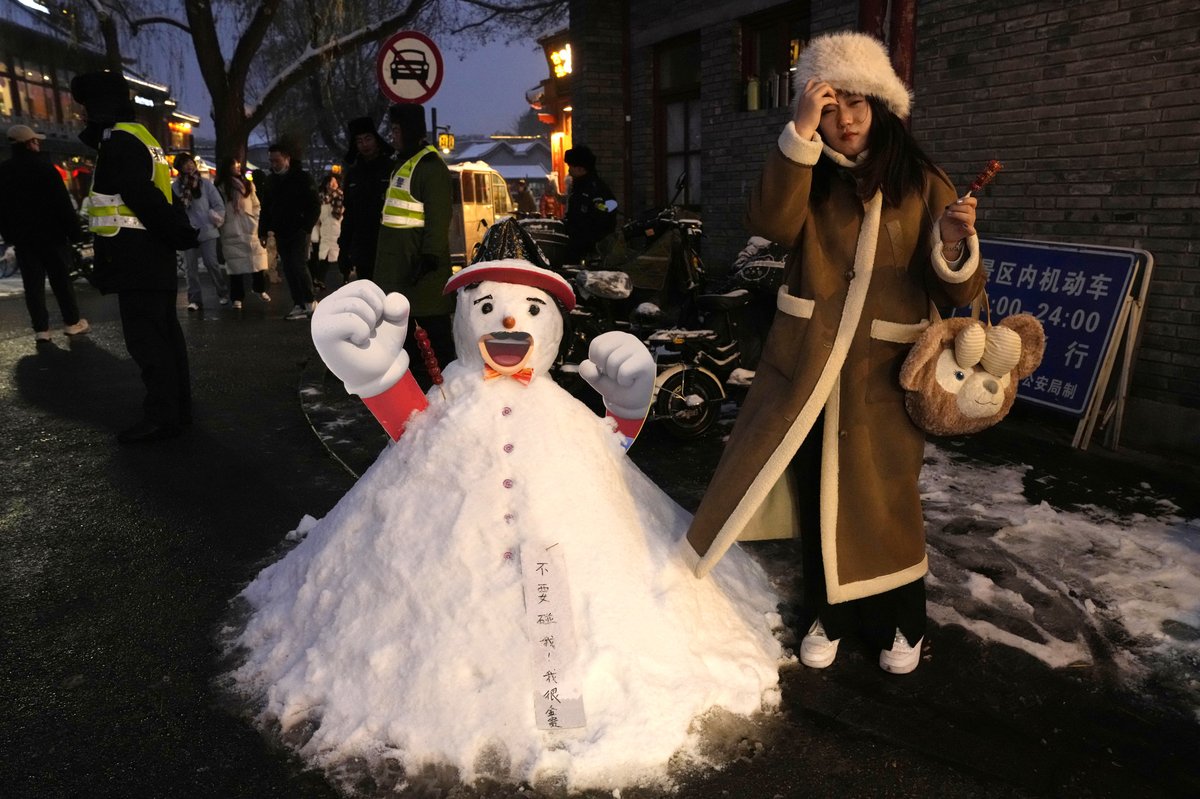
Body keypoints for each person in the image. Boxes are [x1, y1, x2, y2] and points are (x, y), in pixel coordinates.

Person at [681, 32, 986, 675]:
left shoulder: (923, 181)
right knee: (818, 490)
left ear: (879, 106)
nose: (844, 119)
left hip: (886, 374)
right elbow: (769, 224)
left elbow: (955, 290)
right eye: (828, 106)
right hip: (810, 367)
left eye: (856, 104)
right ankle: (829, 615)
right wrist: (797, 137)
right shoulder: (808, 174)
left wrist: (954, 246)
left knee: (887, 497)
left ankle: (903, 622)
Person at [69, 70, 198, 443]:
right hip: (153, 257)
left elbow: (141, 197)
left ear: (99, 108)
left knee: (147, 341)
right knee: (166, 337)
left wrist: (175, 230)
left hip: (136, 260)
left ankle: (161, 416)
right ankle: (177, 410)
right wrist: (178, 230)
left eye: (86, 109)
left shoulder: (119, 144)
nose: (82, 117)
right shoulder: (142, 138)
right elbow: (158, 196)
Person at [373, 103, 454, 390]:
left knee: (433, 345)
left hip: (420, 277)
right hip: (401, 272)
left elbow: (438, 217)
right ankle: (414, 396)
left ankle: (441, 397)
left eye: (396, 130)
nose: (393, 136)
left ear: (410, 131)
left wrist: (430, 257)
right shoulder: (405, 163)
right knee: (408, 345)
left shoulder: (430, 168)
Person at [0, 124, 89, 342]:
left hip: (23, 238)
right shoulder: (46, 169)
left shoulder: (3, 171)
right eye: (35, 141)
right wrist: (76, 233)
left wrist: (9, 234)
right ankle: (72, 322)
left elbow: (2, 208)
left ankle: (41, 329)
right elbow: (62, 205)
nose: (38, 143)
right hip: (52, 235)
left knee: (32, 284)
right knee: (61, 281)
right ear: (30, 143)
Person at [259, 141, 320, 321]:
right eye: (271, 161)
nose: (273, 165)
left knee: (298, 264)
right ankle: (299, 303)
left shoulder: (302, 178)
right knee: (289, 267)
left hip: (298, 229)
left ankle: (309, 300)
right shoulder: (271, 181)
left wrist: (306, 225)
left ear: (287, 159)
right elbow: (266, 207)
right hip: (281, 230)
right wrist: (263, 231)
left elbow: (314, 204)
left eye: (277, 161)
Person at [337, 115, 393, 283]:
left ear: (376, 140)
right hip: (362, 248)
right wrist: (344, 248)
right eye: (359, 141)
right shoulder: (353, 175)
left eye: (368, 139)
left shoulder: (391, 169)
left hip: (387, 245)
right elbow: (349, 214)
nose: (364, 145)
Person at [172, 151, 228, 311]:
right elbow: (175, 209)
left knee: (212, 263)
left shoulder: (205, 184)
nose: (189, 166)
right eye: (184, 163)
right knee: (191, 268)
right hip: (187, 232)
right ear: (179, 168)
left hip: (207, 229)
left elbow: (218, 204)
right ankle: (194, 299)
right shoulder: (175, 187)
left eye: (190, 162)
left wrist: (216, 218)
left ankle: (222, 292)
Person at [214, 156, 269, 309]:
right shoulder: (220, 186)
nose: (237, 167)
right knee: (235, 265)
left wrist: (256, 218)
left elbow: (256, 204)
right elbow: (218, 206)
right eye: (234, 165)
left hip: (250, 225)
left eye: (238, 165)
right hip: (232, 227)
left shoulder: (248, 184)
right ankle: (237, 297)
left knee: (257, 260)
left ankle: (259, 288)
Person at [562, 145, 617, 265]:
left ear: (581, 169)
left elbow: (606, 212)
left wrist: (590, 242)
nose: (569, 170)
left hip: (587, 250)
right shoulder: (579, 187)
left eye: (571, 166)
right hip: (576, 244)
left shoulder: (595, 189)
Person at [308, 173, 342, 292]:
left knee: (326, 255)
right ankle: (314, 279)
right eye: (331, 182)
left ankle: (319, 279)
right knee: (315, 255)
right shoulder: (320, 196)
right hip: (317, 228)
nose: (333, 185)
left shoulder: (339, 195)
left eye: (335, 182)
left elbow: (337, 213)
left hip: (331, 229)